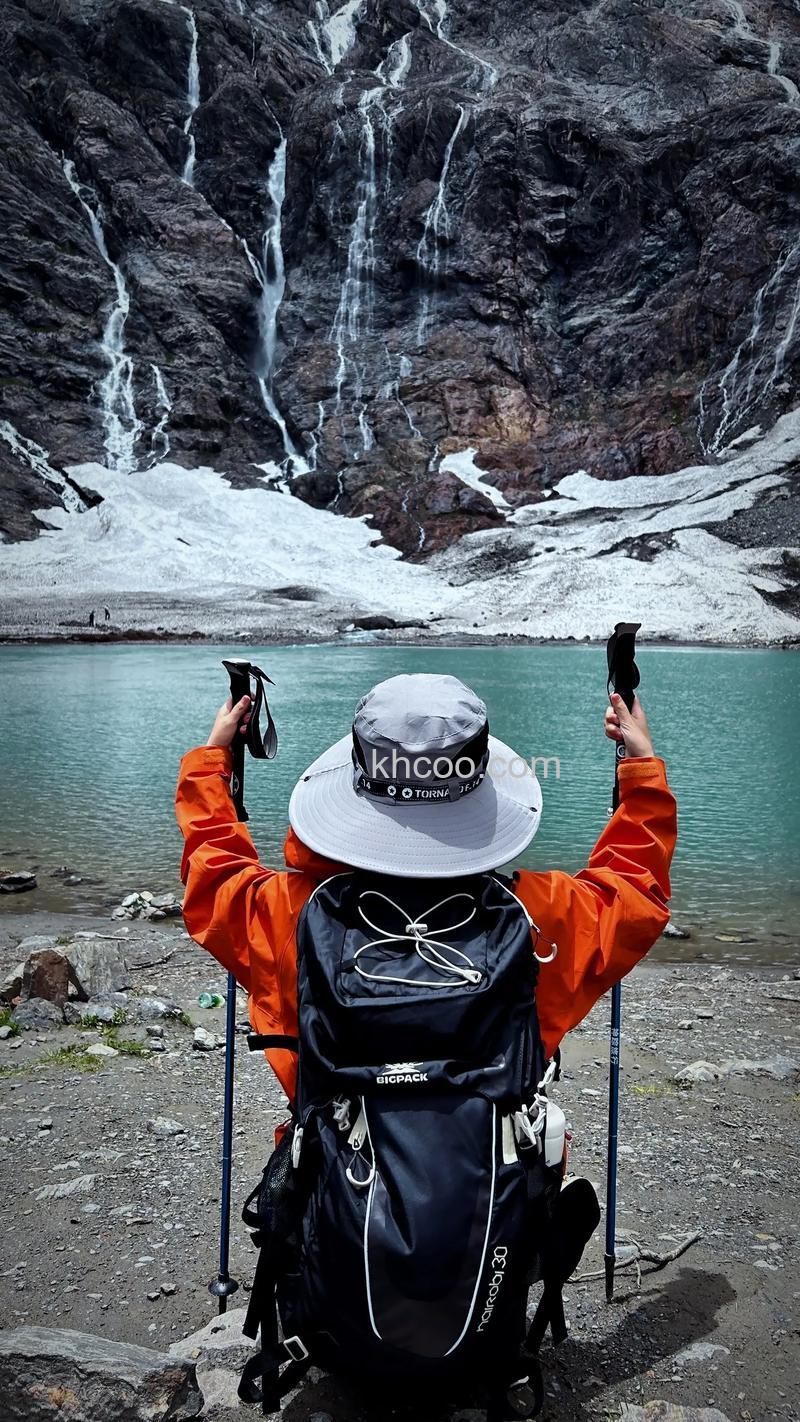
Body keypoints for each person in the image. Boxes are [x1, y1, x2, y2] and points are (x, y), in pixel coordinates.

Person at [175, 673, 676, 1102]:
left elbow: (216, 875)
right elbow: (632, 893)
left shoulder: (292, 913)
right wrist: (641, 770)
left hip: (340, 1195)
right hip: (497, 1198)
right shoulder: (536, 916)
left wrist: (214, 762)